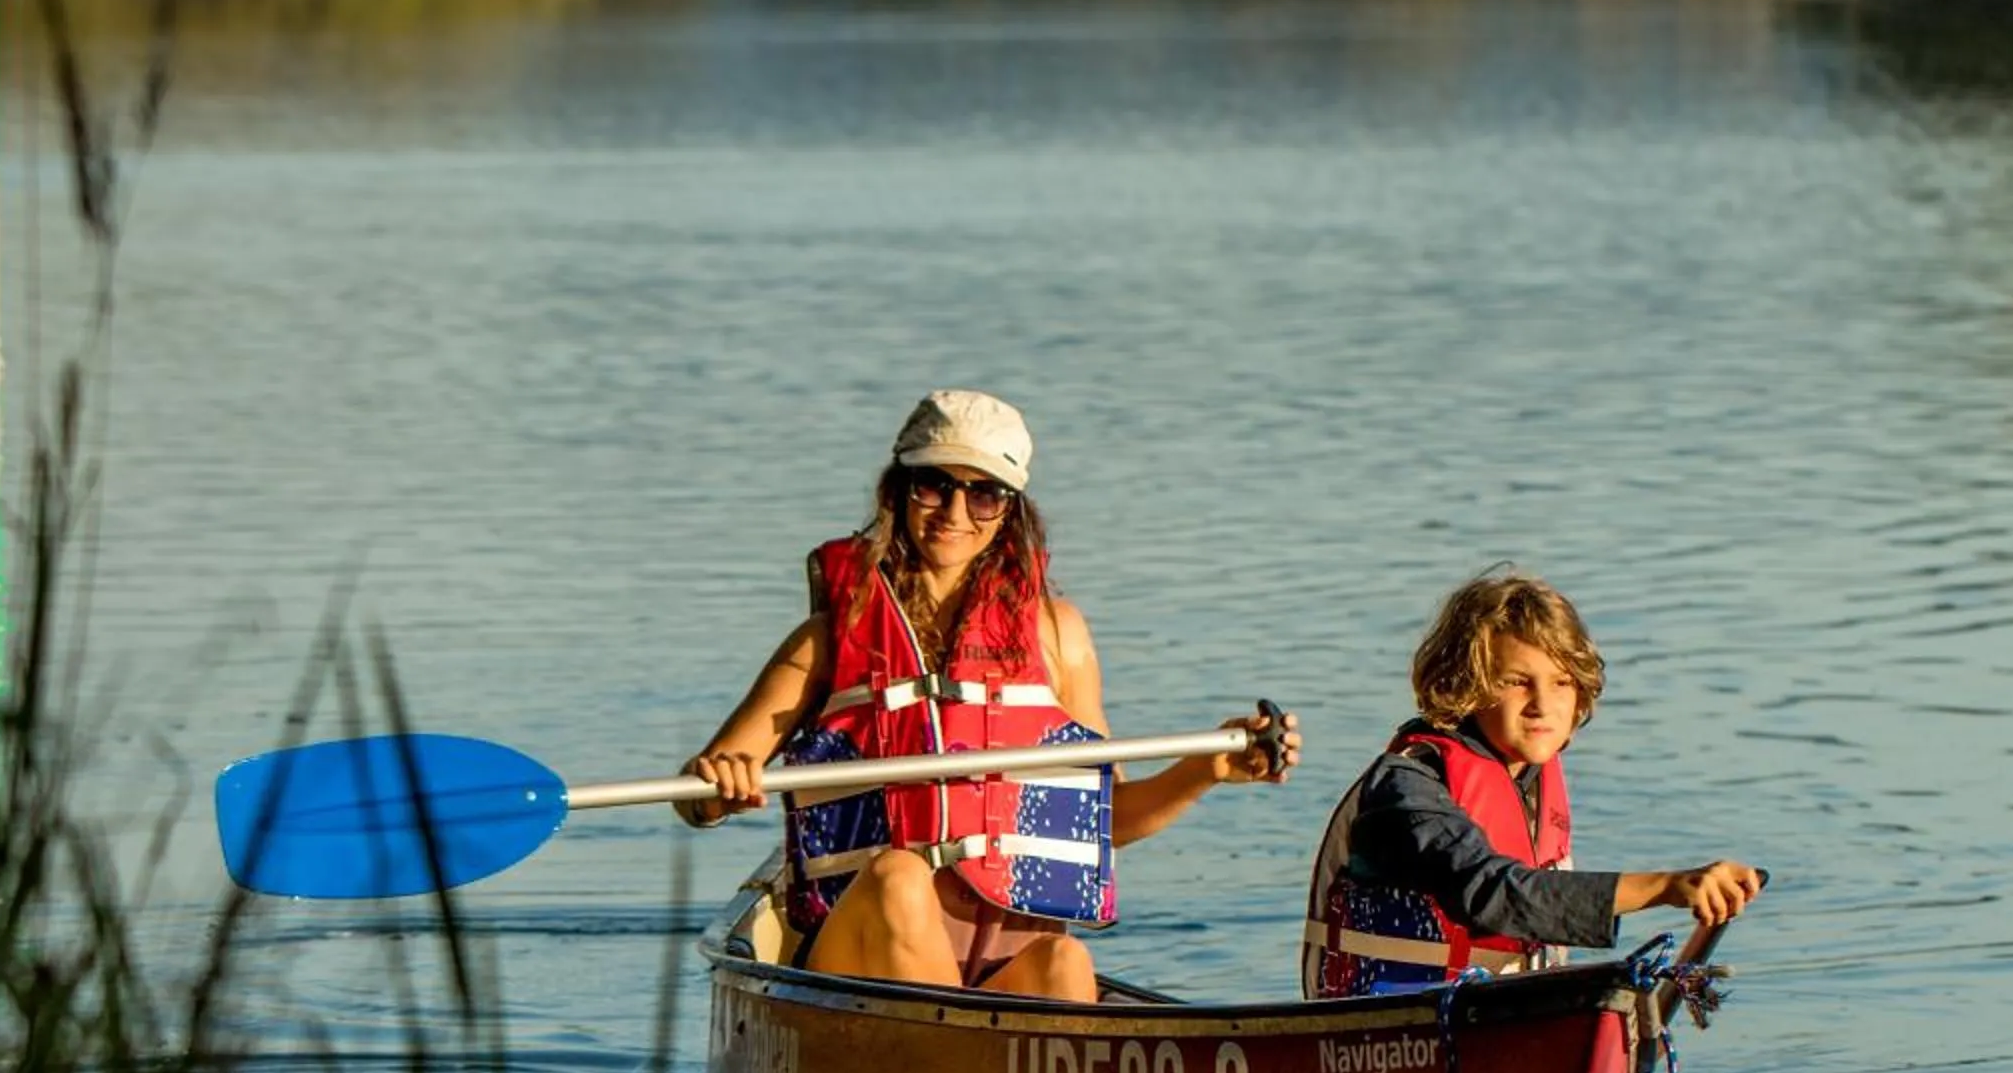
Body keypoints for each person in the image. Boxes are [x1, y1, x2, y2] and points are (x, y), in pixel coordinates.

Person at [682, 388, 1297, 1001]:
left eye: (983, 493)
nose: (955, 511)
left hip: (1006, 954)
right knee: (899, 875)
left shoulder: (1059, 635)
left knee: (1063, 960)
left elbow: (1104, 823)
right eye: (933, 484)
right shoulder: (827, 642)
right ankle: (943, 1059)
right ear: (898, 490)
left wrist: (1205, 769)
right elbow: (697, 799)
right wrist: (720, 784)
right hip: (859, 957)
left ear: (1010, 509)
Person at [1300, 570, 1758, 999]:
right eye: (1518, 682)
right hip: (1386, 1026)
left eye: (1561, 682)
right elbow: (1488, 893)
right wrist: (1665, 887)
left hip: (1501, 1013)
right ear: (1465, 685)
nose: (1543, 704)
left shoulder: (1530, 781)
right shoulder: (1408, 786)